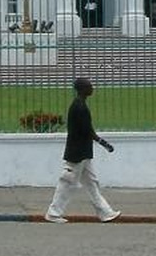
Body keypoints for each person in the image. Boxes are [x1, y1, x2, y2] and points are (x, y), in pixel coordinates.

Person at [45, 76, 120, 223]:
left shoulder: (80, 105)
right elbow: (87, 131)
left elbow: (87, 130)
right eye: (89, 86)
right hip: (77, 153)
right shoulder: (79, 107)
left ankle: (105, 213)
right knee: (67, 182)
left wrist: (101, 142)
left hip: (83, 152)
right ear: (82, 89)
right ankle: (53, 213)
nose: (92, 88)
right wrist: (103, 143)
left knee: (92, 183)